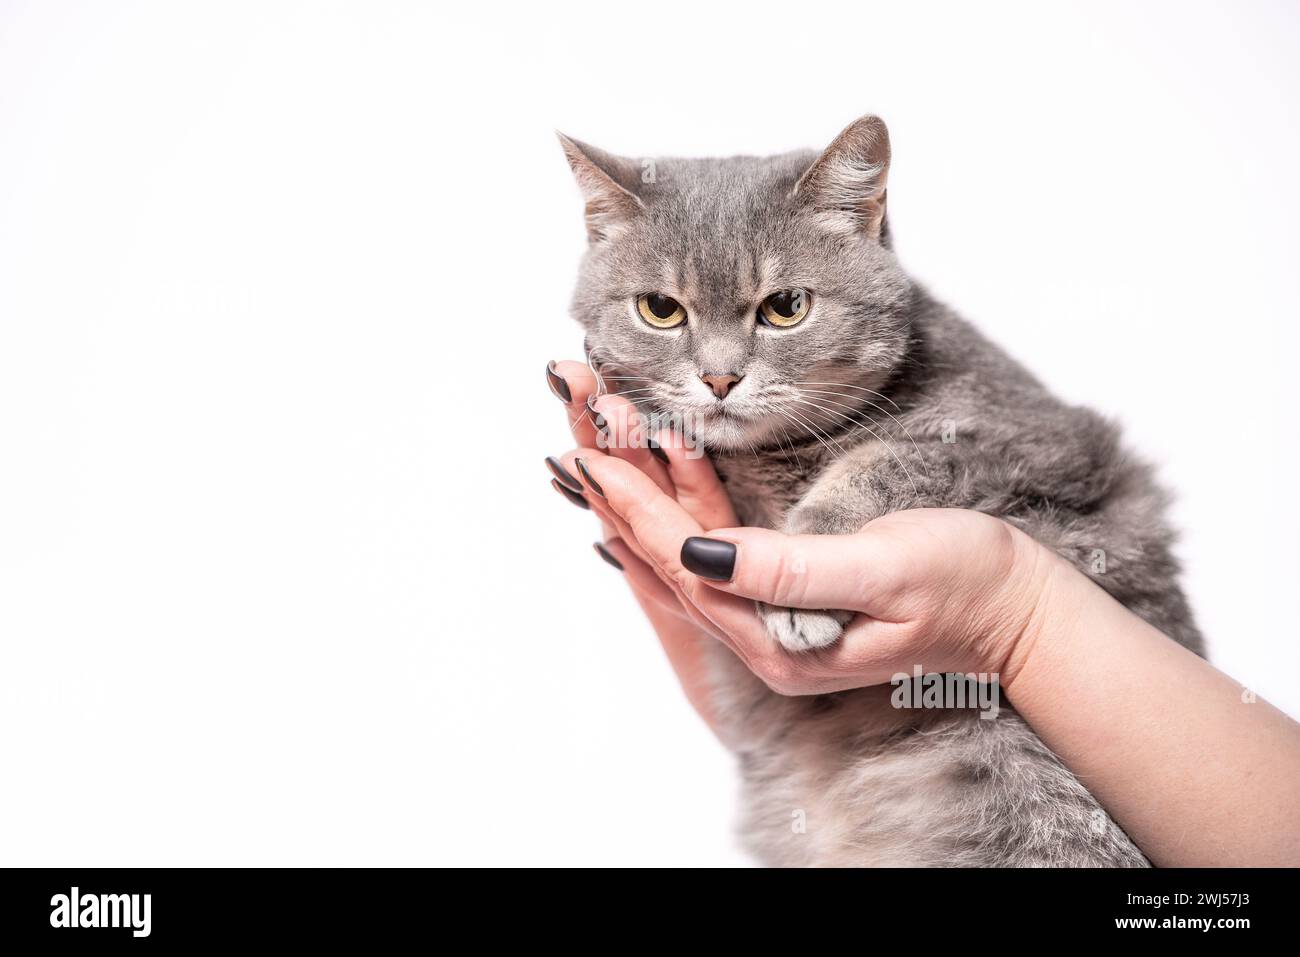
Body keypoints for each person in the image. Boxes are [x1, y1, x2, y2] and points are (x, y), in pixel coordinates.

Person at [544, 359, 1300, 867]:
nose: (718, 369)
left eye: (781, 306)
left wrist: (1014, 613)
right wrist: (766, 691)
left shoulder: (954, 391)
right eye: (661, 309)